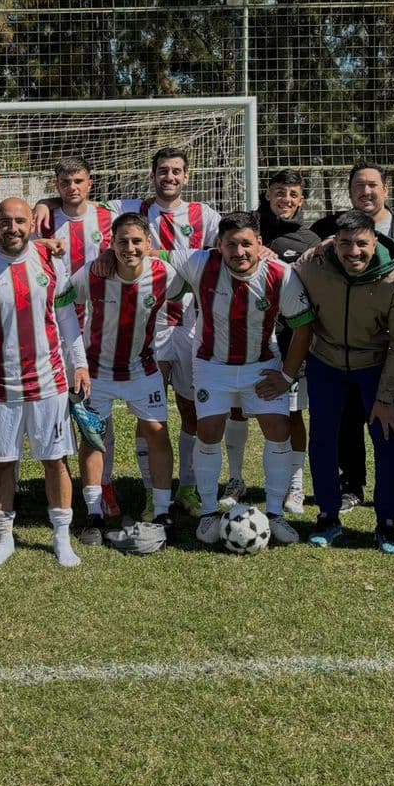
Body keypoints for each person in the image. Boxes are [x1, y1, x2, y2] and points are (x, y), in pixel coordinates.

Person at [162, 211, 315, 547]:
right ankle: (207, 512)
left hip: (261, 364)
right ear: (219, 245)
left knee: (278, 429)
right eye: (231, 244)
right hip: (212, 365)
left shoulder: (280, 273)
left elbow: (303, 326)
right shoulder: (199, 262)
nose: (239, 251)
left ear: (260, 244)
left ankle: (274, 514)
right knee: (209, 431)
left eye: (247, 243)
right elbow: (151, 253)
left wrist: (287, 375)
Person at [0, 199, 90, 568]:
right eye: (5, 221)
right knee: (1, 462)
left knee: (54, 458)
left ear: (32, 223)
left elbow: (66, 318)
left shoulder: (50, 261)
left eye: (19, 221)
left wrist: (79, 363)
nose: (12, 227)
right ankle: (3, 539)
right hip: (0, 384)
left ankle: (61, 537)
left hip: (50, 380)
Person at [293, 210, 394, 554]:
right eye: (345, 243)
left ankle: (387, 522)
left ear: (374, 242)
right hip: (325, 363)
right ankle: (328, 515)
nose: (353, 252)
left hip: (374, 365)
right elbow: (277, 271)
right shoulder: (313, 266)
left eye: (361, 243)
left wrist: (386, 395)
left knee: (388, 437)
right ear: (333, 244)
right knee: (322, 439)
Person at [311, 164, 394, 518]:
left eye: (373, 185)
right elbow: (307, 263)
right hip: (343, 348)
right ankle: (351, 485)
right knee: (347, 419)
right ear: (349, 192)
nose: (366, 191)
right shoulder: (329, 229)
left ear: (386, 190)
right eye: (359, 186)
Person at [108, 147, 221, 516]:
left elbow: (235, 242)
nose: (169, 177)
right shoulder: (131, 208)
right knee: (149, 414)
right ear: (152, 174)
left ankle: (188, 488)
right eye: (162, 171)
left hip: (192, 322)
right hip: (150, 323)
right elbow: (82, 202)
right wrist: (45, 202)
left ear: (186, 176)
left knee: (192, 409)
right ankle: (149, 491)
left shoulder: (204, 215)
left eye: (176, 171)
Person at [69, 213, 180, 547]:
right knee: (93, 437)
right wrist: (76, 361)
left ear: (149, 244)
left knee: (157, 435)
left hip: (142, 370)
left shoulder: (165, 274)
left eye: (136, 241)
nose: (129, 248)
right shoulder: (93, 273)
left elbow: (196, 274)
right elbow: (62, 305)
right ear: (111, 244)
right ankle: (93, 514)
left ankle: (162, 512)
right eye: (121, 241)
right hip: (97, 371)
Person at [225, 168, 319, 515]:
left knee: (291, 413)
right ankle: (235, 479)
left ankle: (295, 485)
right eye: (280, 192)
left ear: (301, 200)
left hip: (290, 339)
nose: (286, 200)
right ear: (268, 194)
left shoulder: (308, 239)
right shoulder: (247, 228)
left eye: (293, 194)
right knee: (236, 408)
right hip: (243, 339)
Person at [32, 156, 120, 518]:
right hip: (53, 330)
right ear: (57, 185)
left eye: (79, 181)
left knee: (96, 416)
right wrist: (42, 205)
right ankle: (61, 487)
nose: (72, 188)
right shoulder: (43, 220)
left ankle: (104, 487)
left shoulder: (109, 217)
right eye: (65, 182)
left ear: (90, 183)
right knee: (56, 416)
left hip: (101, 329)